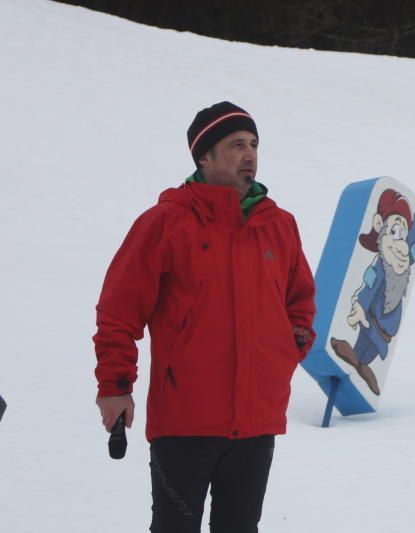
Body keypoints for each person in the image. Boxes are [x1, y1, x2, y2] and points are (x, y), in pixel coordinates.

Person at [93, 101, 316, 533]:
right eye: (236, 145)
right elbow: (118, 311)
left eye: (253, 144)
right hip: (184, 419)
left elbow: (301, 301)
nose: (249, 154)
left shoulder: (279, 225)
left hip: (255, 419)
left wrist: (285, 353)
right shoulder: (165, 223)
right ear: (204, 157)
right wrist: (115, 386)